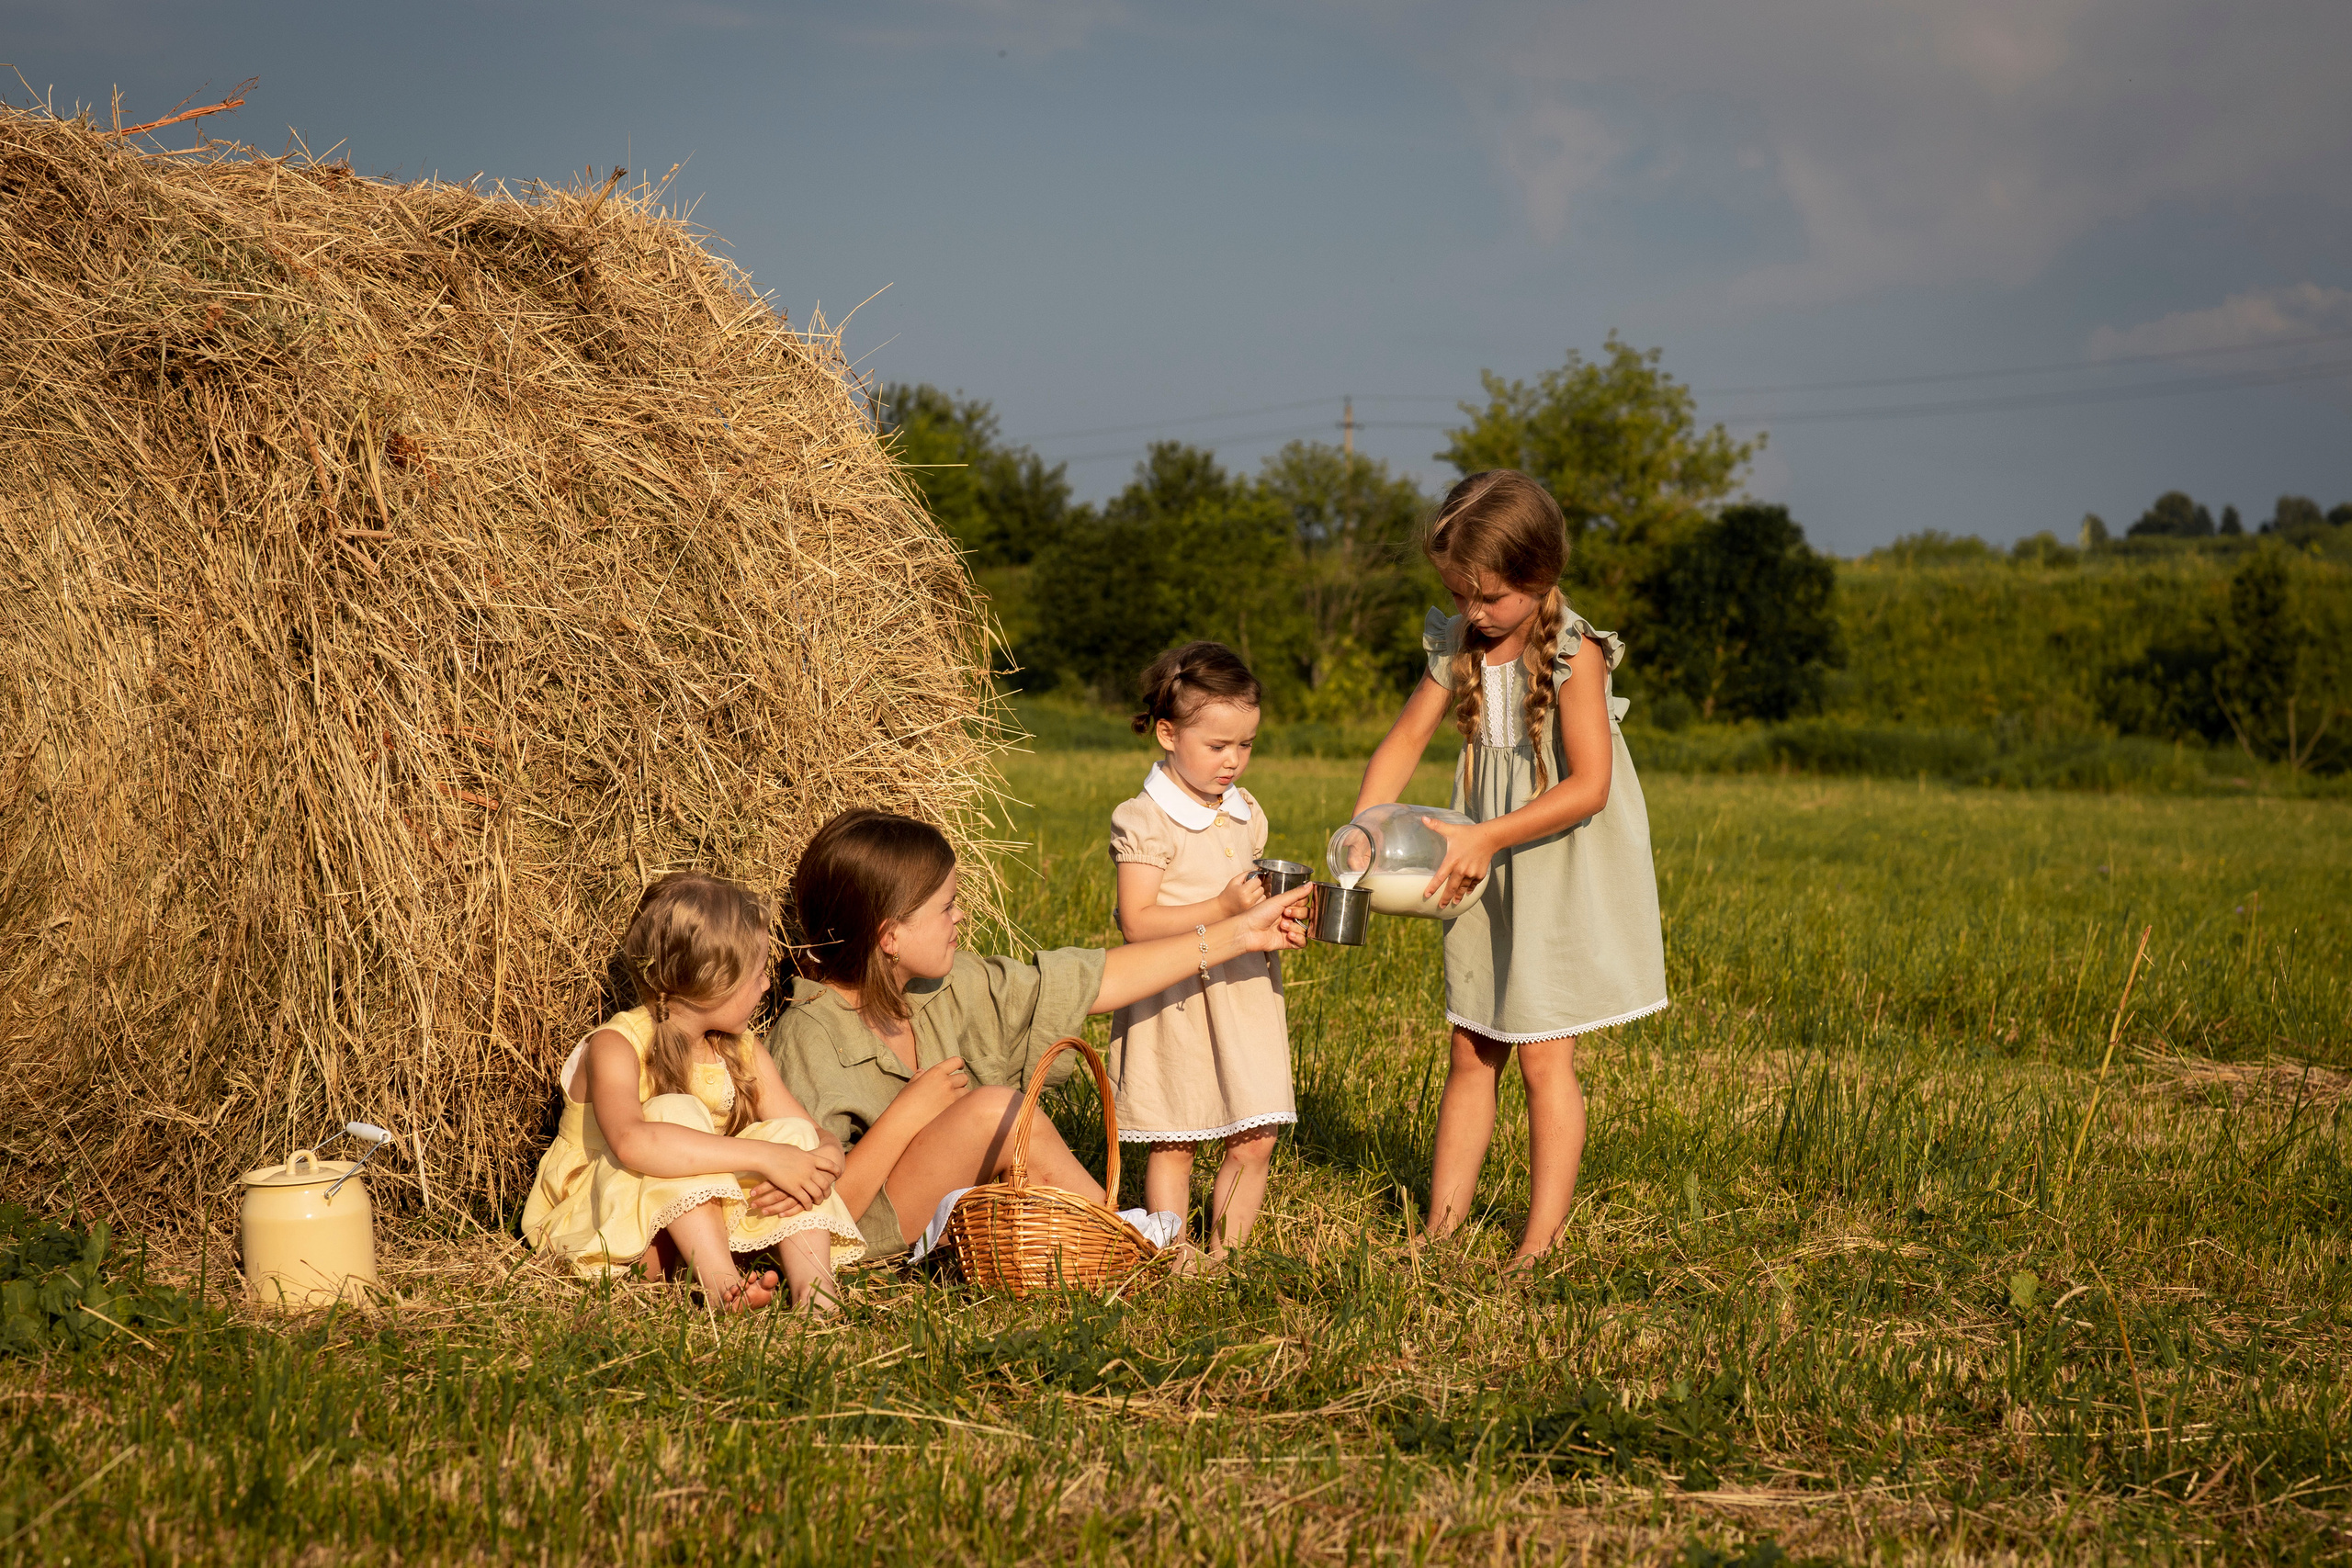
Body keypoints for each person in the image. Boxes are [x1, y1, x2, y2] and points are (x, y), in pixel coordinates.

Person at [1351, 470, 1668, 1272]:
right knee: (1470, 1043)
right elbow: (1403, 742)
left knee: (1541, 1055)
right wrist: (1366, 823)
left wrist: (1490, 836)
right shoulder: (1457, 641)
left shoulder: (1574, 652)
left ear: (1539, 576)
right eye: (1460, 594)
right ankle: (1440, 1230)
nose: (1472, 612)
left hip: (1551, 858)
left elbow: (1588, 785)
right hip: (1482, 857)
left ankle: (1539, 1241)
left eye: (1486, 597)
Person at [761, 807, 1312, 1264]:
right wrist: (909, 1113)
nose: (961, 916)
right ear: (890, 936)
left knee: (999, 1117)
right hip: (856, 1240)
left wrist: (1241, 934)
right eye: (947, 906)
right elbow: (817, 1207)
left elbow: (1093, 982)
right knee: (993, 1111)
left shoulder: (942, 986)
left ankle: (1116, 1237)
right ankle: (1131, 1245)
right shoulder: (807, 1034)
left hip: (937, 1222)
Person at [522, 872, 865, 1312]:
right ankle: (724, 1289)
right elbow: (634, 1143)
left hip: (697, 1233)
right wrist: (763, 1158)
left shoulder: (740, 1048)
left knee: (792, 1137)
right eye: (758, 974)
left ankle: (817, 1298)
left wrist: (827, 1153)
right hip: (612, 1234)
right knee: (672, 1113)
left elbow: (804, 1129)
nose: (767, 985)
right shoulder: (616, 1045)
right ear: (711, 981)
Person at [1106, 642, 1295, 1257]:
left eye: (1245, 744)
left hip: (1243, 994)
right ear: (1167, 732)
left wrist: (1281, 917)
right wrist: (1222, 910)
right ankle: (1172, 1254)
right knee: (1177, 1137)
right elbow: (1137, 921)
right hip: (1176, 996)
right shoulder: (1144, 819)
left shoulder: (1246, 814)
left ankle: (1228, 1254)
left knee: (1257, 1131)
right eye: (1217, 746)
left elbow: (1251, 900)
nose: (1233, 760)